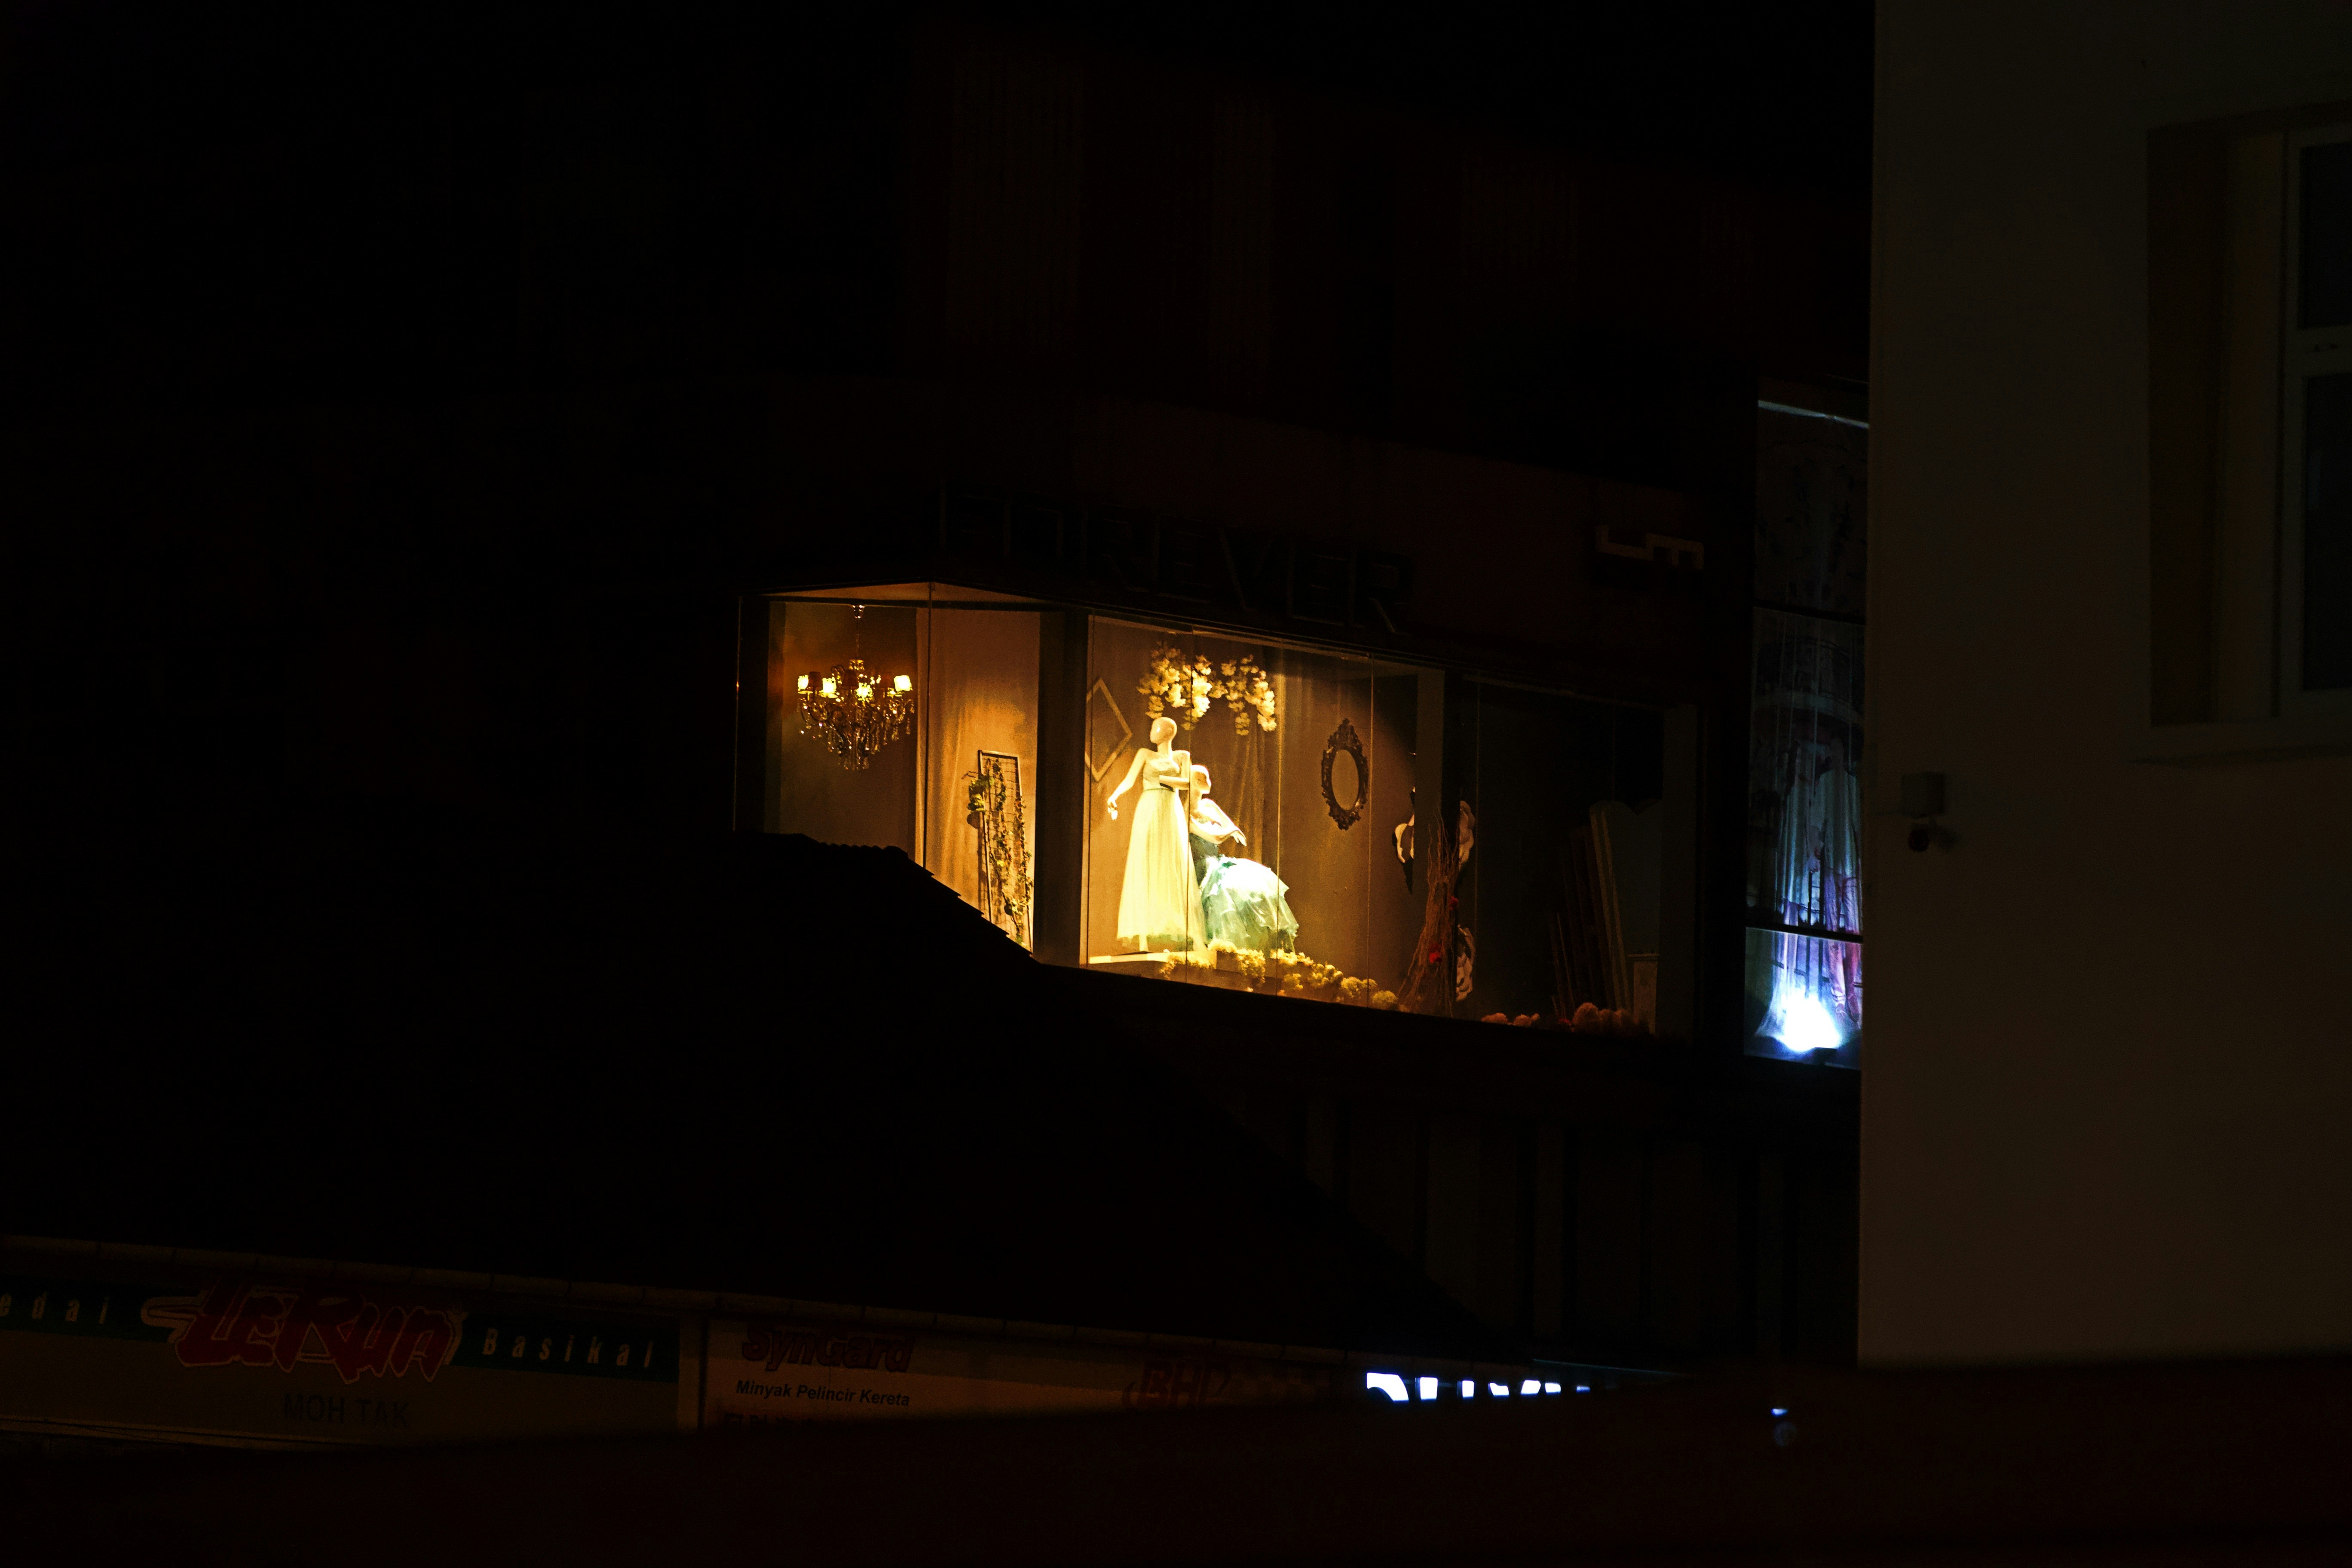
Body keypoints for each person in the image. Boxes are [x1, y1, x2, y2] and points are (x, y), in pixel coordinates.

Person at [1105, 717, 1204, 952]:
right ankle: (1143, 935)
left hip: (1171, 809)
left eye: (1157, 727)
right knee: (1145, 861)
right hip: (1149, 807)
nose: (1153, 731)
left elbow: (1188, 783)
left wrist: (1163, 779)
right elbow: (1130, 781)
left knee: (1173, 861)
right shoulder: (1144, 754)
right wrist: (1114, 796)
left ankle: (1184, 930)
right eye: (1152, 727)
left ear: (1170, 732)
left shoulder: (1182, 756)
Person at [1185, 764, 1299, 955]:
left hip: (1217, 861)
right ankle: (1220, 949)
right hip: (1202, 867)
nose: (1208, 783)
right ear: (1194, 782)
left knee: (1254, 883)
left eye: (1208, 778)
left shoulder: (1209, 805)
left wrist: (1231, 829)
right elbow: (1216, 837)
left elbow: (1228, 825)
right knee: (1223, 896)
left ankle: (1254, 949)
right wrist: (1230, 832)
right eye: (1202, 779)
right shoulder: (1185, 814)